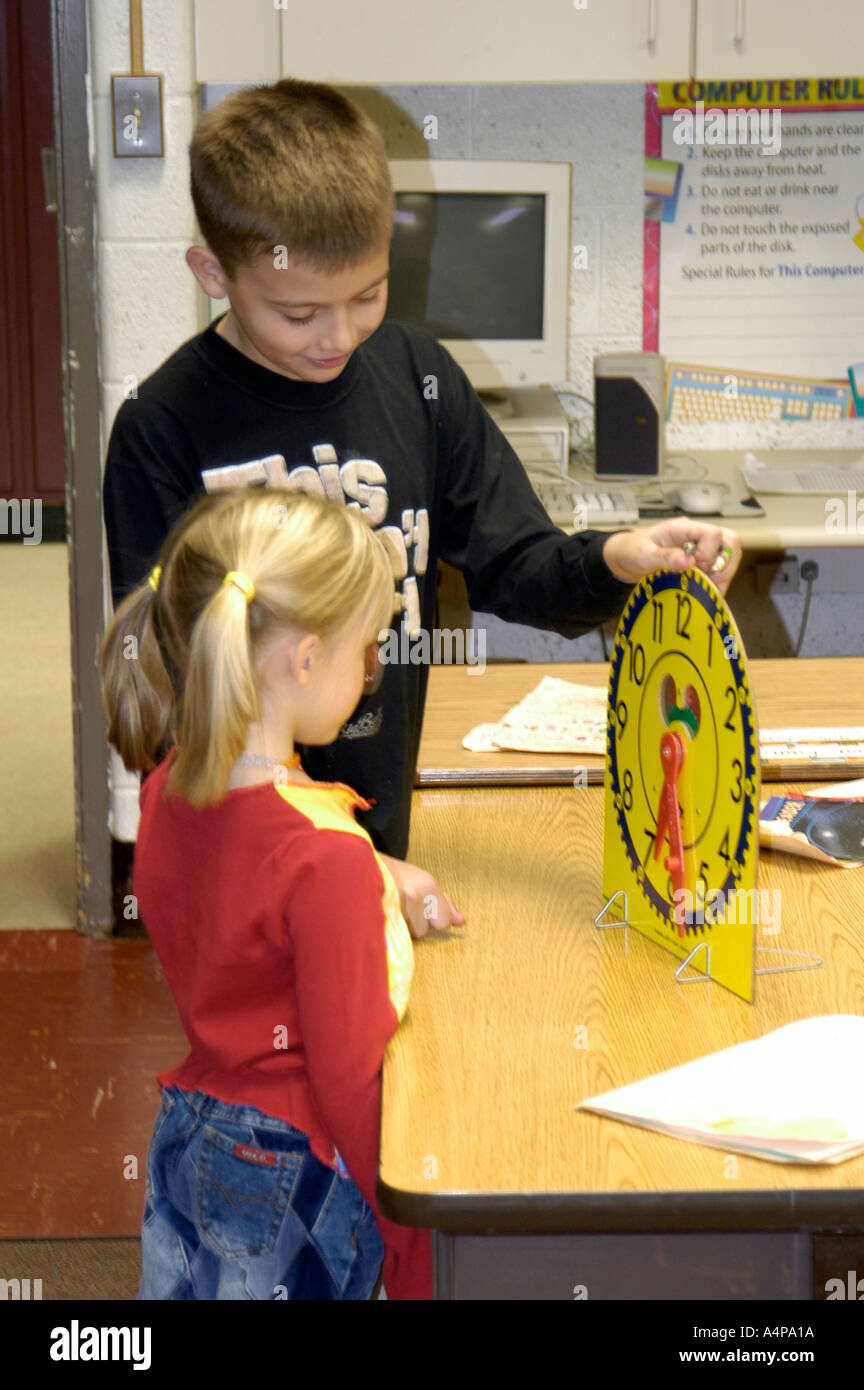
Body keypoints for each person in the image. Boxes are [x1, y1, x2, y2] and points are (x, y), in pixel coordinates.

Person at [102, 76, 742, 940]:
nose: (337, 338)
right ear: (212, 271)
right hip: (241, 880)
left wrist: (614, 560)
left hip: (381, 847)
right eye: (298, 312)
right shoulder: (161, 428)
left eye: (368, 296)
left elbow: (519, 564)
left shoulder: (417, 379)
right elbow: (168, 702)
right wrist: (334, 857)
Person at [100, 486, 430, 1299]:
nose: (374, 669)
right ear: (307, 659)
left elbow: (245, 888)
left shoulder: (170, 789)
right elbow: (351, 1087)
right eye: (370, 647)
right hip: (298, 1176)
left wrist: (372, 884)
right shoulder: (325, 863)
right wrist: (414, 1241)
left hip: (191, 1140)